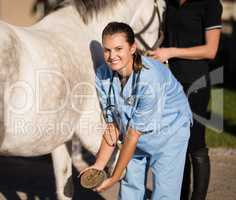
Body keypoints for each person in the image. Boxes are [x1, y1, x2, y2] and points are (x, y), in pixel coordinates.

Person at [82, 22, 192, 200]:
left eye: (119, 49)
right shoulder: (103, 75)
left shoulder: (150, 78)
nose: (112, 56)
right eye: (107, 50)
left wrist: (114, 177)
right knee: (129, 188)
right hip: (133, 135)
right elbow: (113, 125)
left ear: (133, 48)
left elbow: (133, 135)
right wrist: (99, 165)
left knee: (164, 194)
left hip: (170, 133)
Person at [149, 0, 222, 199]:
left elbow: (211, 50)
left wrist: (170, 52)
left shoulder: (210, 4)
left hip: (196, 82)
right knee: (175, 144)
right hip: (170, 82)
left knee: (195, 142)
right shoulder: (169, 3)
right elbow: (165, 38)